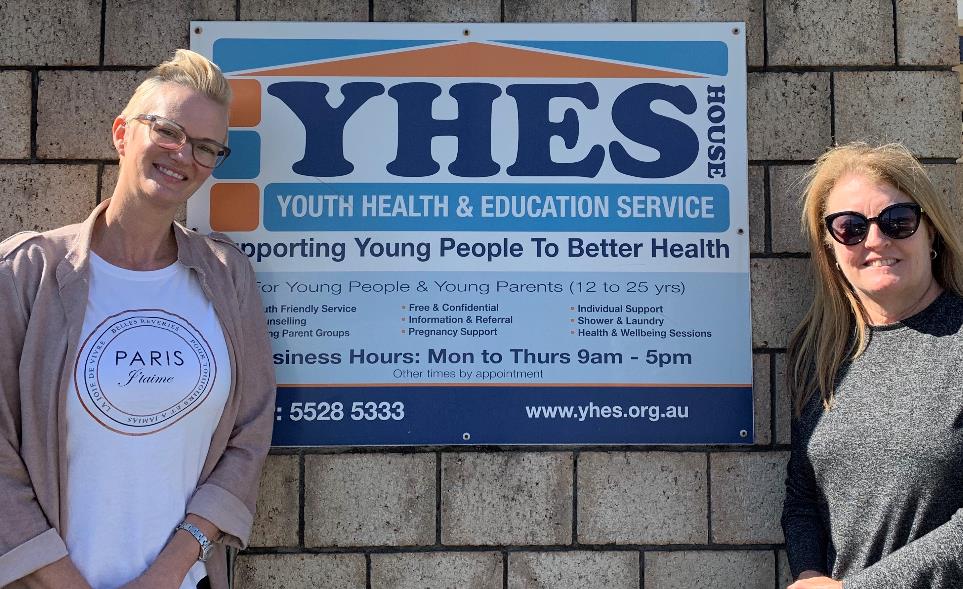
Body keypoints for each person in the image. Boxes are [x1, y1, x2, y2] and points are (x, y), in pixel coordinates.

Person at [0, 50, 275, 589]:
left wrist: (170, 571)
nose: (183, 155)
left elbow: (249, 434)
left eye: (205, 147)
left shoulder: (227, 277)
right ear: (123, 133)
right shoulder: (27, 271)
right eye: (169, 130)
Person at [781, 142, 963, 589]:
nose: (876, 241)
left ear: (931, 231)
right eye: (851, 227)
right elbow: (803, 499)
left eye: (897, 221)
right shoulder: (820, 353)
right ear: (831, 249)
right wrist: (809, 576)